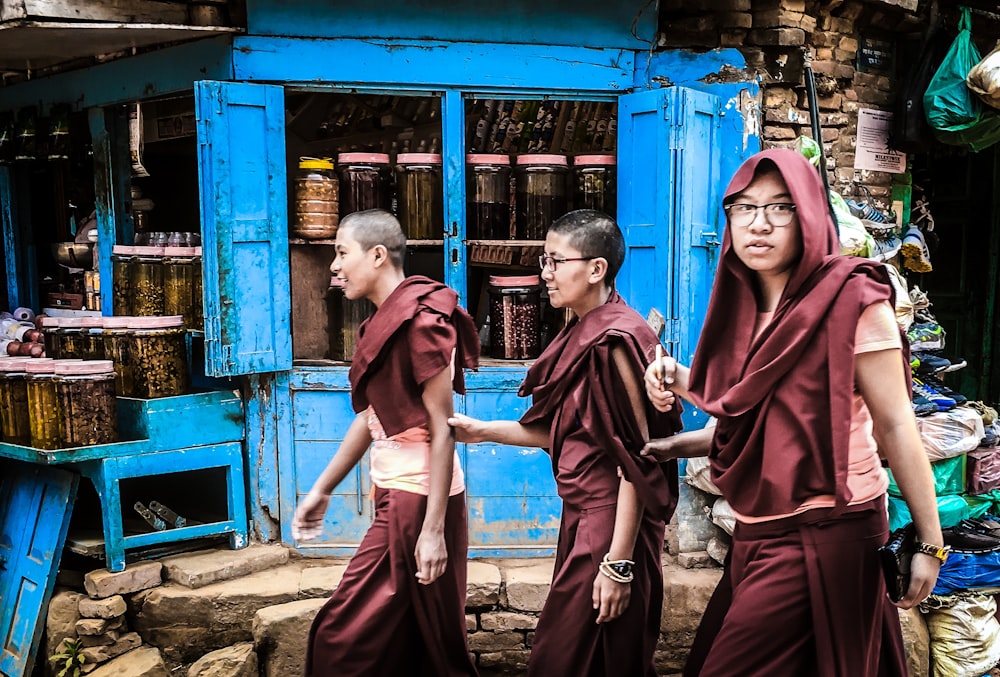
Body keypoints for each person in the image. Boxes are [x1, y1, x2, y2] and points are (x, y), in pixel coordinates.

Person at [642, 148, 945, 676]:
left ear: (807, 214)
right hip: (755, 530)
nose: (759, 224)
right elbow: (743, 408)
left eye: (780, 207)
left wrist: (930, 542)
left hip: (830, 527)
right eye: (744, 208)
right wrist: (672, 374)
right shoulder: (739, 306)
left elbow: (896, 427)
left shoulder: (852, 299)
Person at [449, 209, 683, 676]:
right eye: (545, 260)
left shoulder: (617, 340)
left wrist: (618, 564)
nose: (546, 274)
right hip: (583, 520)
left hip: (613, 526)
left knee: (569, 657)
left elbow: (637, 460)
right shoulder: (581, 330)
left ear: (596, 269)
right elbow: (559, 433)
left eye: (556, 261)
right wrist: (479, 430)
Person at [293, 209, 480, 677]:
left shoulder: (423, 324)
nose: (333, 266)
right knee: (422, 640)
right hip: (401, 499)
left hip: (418, 503)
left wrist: (432, 530)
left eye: (341, 253)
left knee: (341, 636)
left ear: (377, 255)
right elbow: (371, 417)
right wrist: (322, 488)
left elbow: (443, 427)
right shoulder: (381, 322)